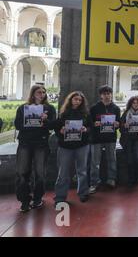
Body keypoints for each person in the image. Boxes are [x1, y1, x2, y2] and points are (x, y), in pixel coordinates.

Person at [14, 84, 56, 212]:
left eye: (44, 92)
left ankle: (37, 199)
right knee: (22, 173)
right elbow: (17, 125)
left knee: (40, 173)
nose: (42, 94)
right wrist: (29, 121)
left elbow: (52, 126)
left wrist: (46, 120)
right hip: (25, 143)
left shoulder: (49, 108)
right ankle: (24, 201)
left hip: (41, 144)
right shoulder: (23, 108)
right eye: (39, 92)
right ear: (33, 94)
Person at [53, 91, 93, 206]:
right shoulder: (63, 113)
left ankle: (83, 193)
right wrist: (60, 131)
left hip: (82, 146)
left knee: (82, 171)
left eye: (80, 100)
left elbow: (91, 128)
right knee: (63, 173)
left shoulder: (86, 114)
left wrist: (86, 130)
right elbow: (56, 127)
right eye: (75, 99)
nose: (77, 102)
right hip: (65, 147)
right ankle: (60, 197)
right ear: (70, 100)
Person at [89, 85, 121, 193]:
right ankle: (94, 182)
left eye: (108, 93)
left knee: (112, 159)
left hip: (110, 138)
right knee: (95, 162)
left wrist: (117, 124)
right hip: (97, 139)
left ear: (111, 95)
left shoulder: (116, 108)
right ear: (101, 96)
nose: (107, 96)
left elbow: (119, 123)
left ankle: (111, 179)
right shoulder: (94, 108)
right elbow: (89, 123)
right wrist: (94, 124)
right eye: (104, 94)